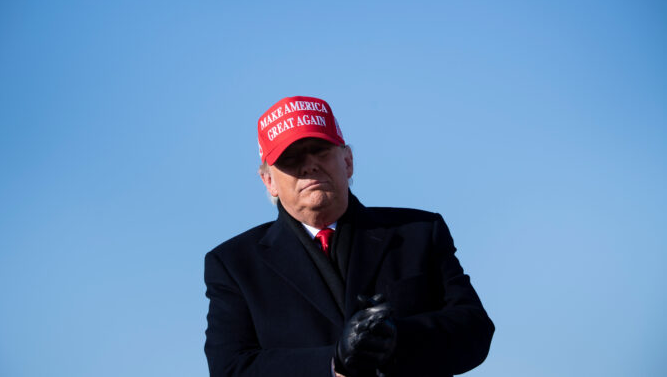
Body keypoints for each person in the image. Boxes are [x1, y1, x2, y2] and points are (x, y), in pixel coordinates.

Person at [204, 96, 494, 377]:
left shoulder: (419, 232)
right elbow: (230, 368)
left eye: (320, 149)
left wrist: (396, 339)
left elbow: (475, 329)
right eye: (290, 159)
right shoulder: (234, 264)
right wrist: (332, 363)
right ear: (269, 181)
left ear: (348, 160)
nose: (309, 165)